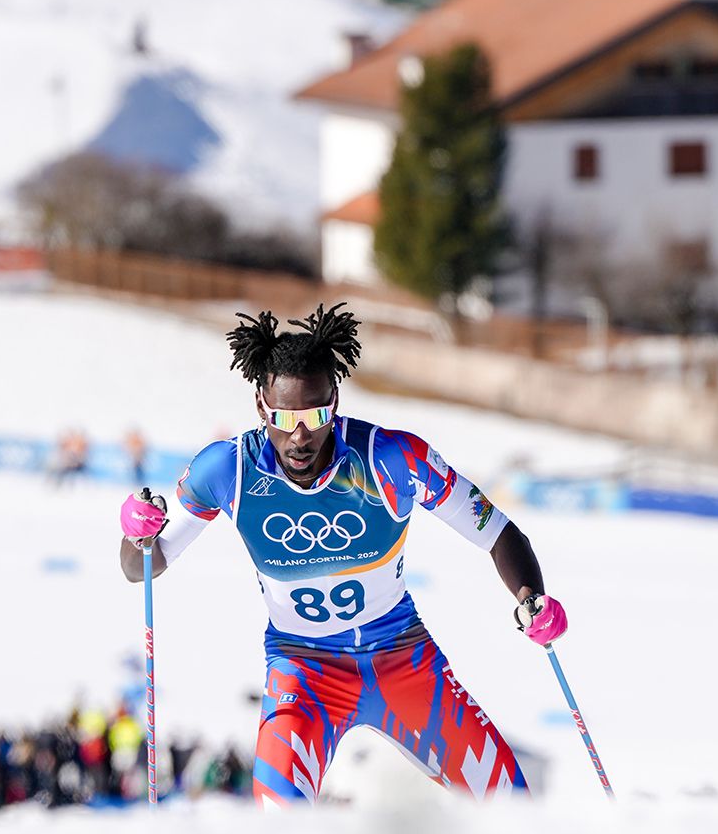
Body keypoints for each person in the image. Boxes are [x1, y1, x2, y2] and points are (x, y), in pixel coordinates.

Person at [116, 304, 567, 805]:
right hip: (303, 670)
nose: (301, 434)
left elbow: (499, 534)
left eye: (315, 414)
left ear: (335, 400)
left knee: (511, 807)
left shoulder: (391, 458)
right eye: (285, 417)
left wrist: (531, 597)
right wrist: (136, 533)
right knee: (280, 814)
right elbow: (142, 568)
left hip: (402, 658)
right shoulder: (227, 469)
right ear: (261, 408)